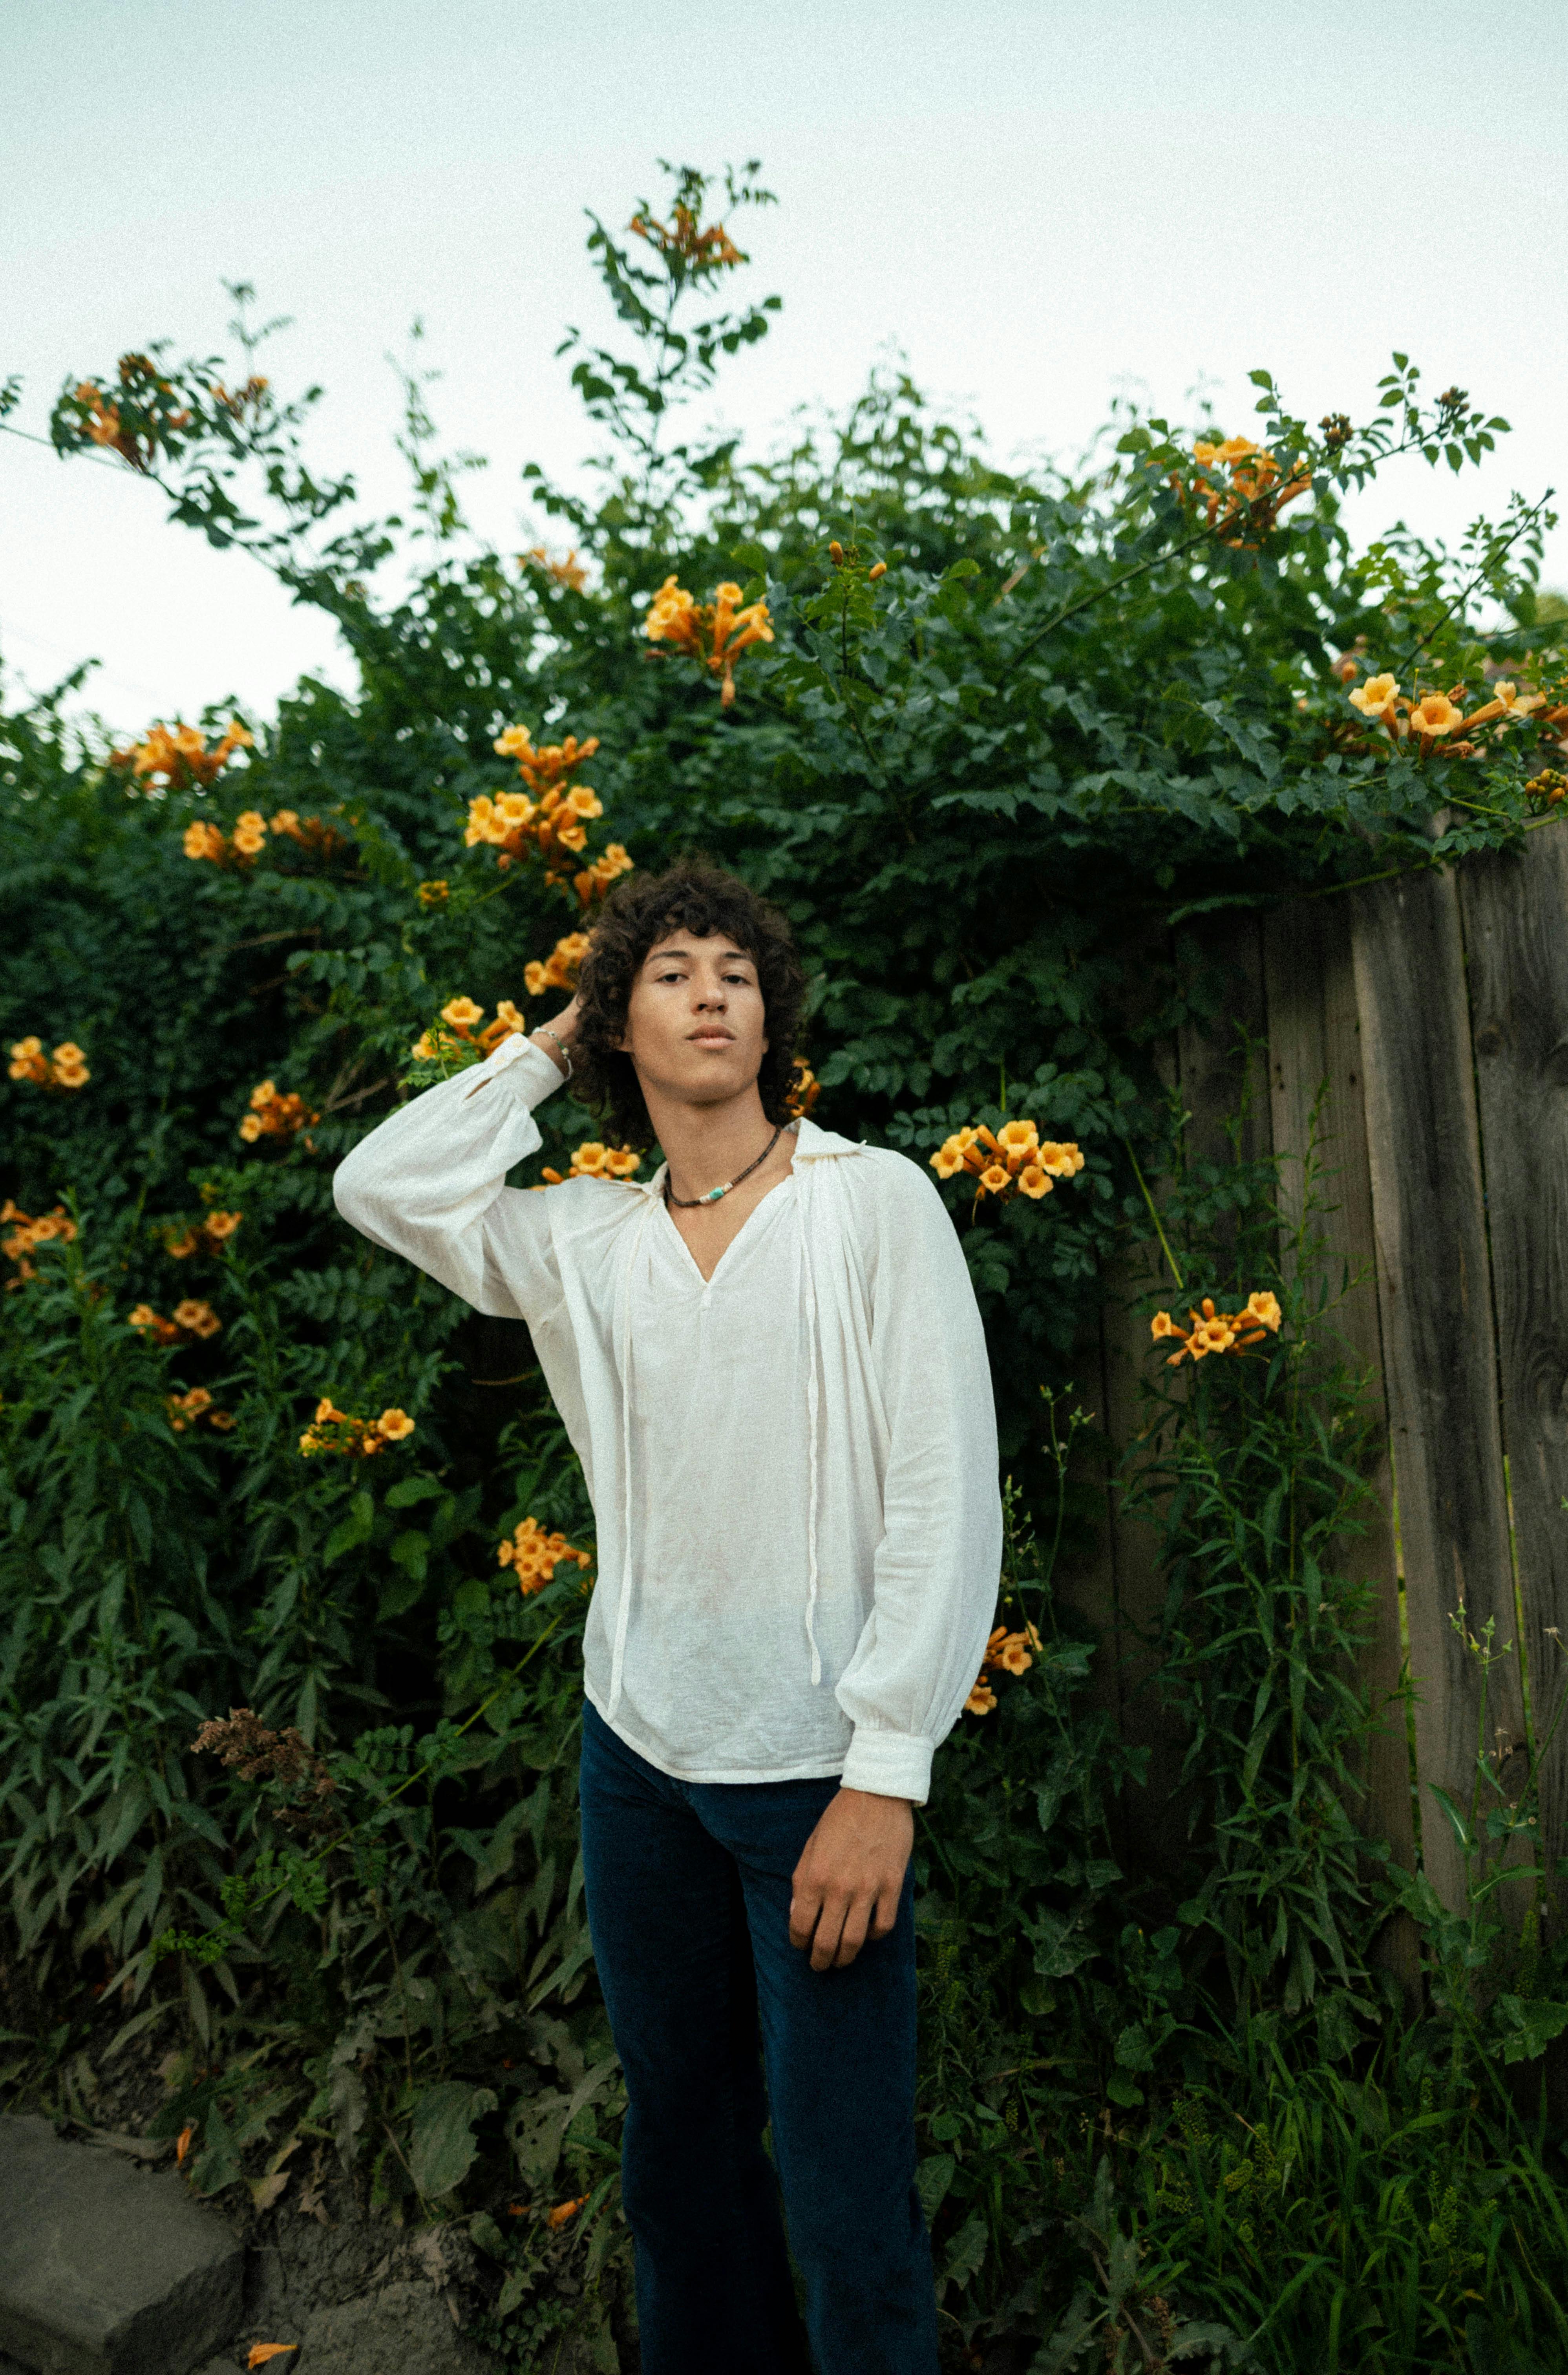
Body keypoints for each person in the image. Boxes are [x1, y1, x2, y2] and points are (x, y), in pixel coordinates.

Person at [332, 858, 1001, 2375]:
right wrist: (551, 1047)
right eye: (673, 973)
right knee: (681, 2164)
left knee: (843, 2198)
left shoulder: (870, 1205)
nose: (711, 994)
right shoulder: (580, 1241)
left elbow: (949, 1495)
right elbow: (378, 1187)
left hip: (812, 1779)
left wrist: (886, 1775)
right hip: (636, 1760)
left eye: (739, 974)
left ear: (774, 1021)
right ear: (623, 1028)